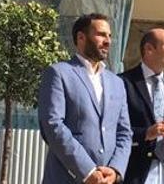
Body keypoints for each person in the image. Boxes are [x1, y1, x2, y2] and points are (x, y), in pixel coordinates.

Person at [38, 13, 132, 184]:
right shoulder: (59, 73)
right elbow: (52, 125)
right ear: (81, 37)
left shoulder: (117, 82)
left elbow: (124, 133)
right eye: (101, 34)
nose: (108, 41)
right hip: (67, 178)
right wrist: (87, 170)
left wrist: (115, 170)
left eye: (109, 36)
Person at [120, 28, 164, 184]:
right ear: (149, 49)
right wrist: (146, 133)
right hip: (135, 173)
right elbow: (113, 130)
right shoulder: (123, 83)